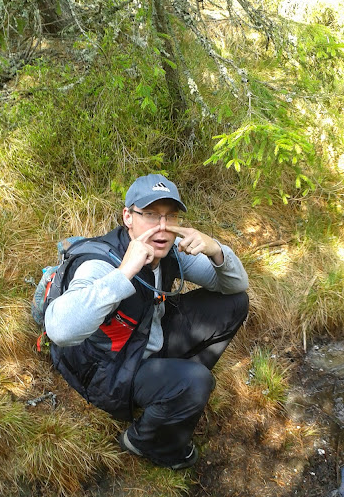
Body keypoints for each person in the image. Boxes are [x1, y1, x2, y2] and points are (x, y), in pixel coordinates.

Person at [45, 174, 249, 469]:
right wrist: (125, 272)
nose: (162, 227)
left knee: (234, 304)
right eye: (151, 215)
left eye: (170, 216)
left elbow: (235, 286)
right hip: (108, 369)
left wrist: (215, 249)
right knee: (197, 381)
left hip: (144, 341)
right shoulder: (101, 263)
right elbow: (60, 330)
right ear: (128, 217)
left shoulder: (169, 252)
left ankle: (174, 395)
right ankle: (144, 441)